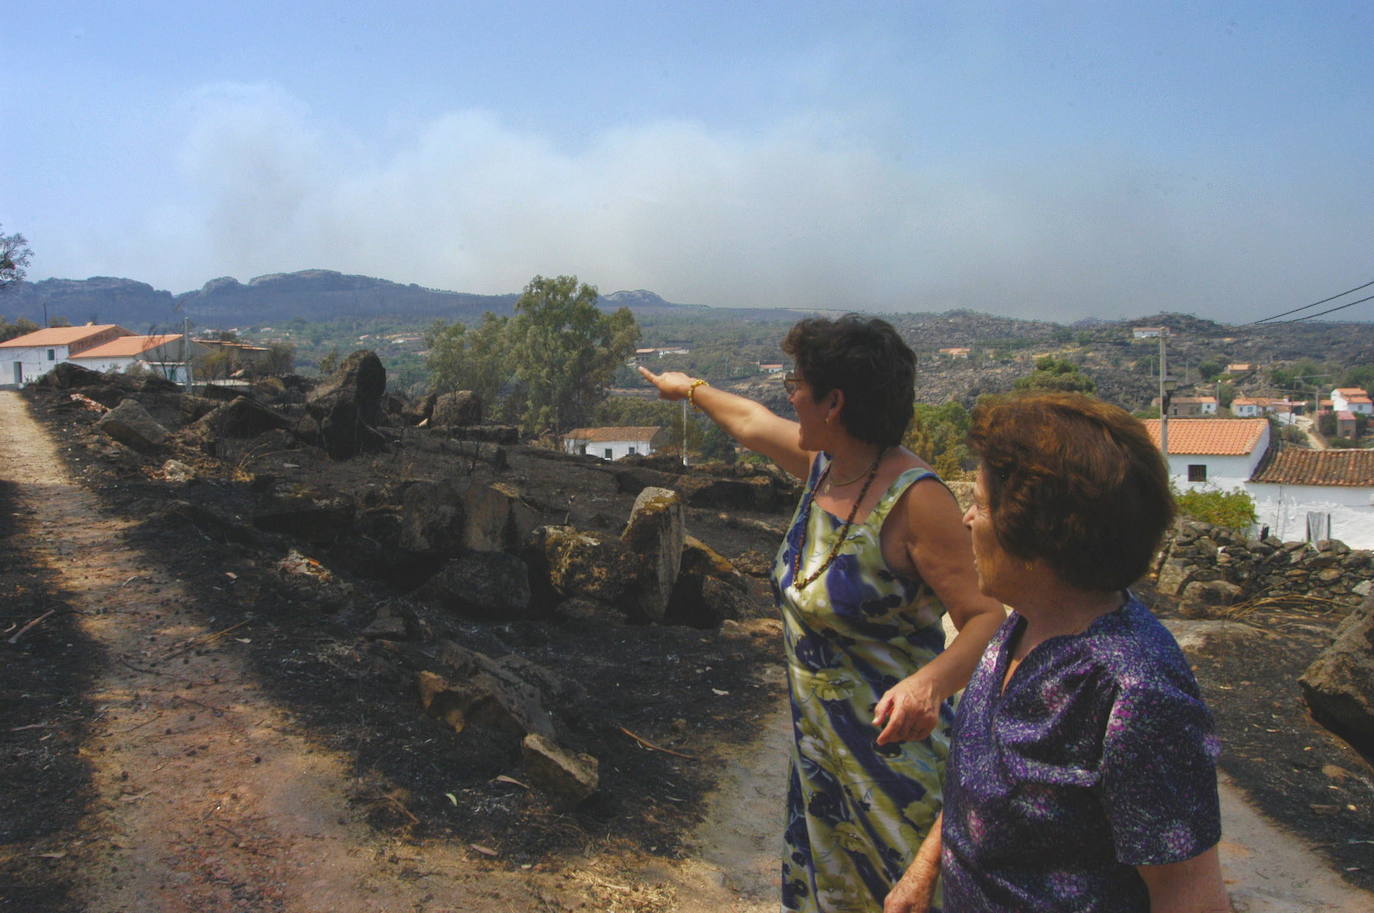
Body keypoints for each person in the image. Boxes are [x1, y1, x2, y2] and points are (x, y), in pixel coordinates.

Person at [638, 315, 1005, 913]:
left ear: (834, 402)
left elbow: (986, 616)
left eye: (797, 382)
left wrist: (929, 684)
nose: (788, 394)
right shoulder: (826, 468)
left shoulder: (916, 500)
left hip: (902, 762)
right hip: (823, 759)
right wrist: (689, 389)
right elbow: (752, 423)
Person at [884, 392, 1229, 913]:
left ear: (1035, 532)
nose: (967, 520)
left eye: (981, 503)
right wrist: (923, 872)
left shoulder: (1135, 692)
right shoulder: (1021, 624)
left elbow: (1187, 893)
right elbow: (976, 775)